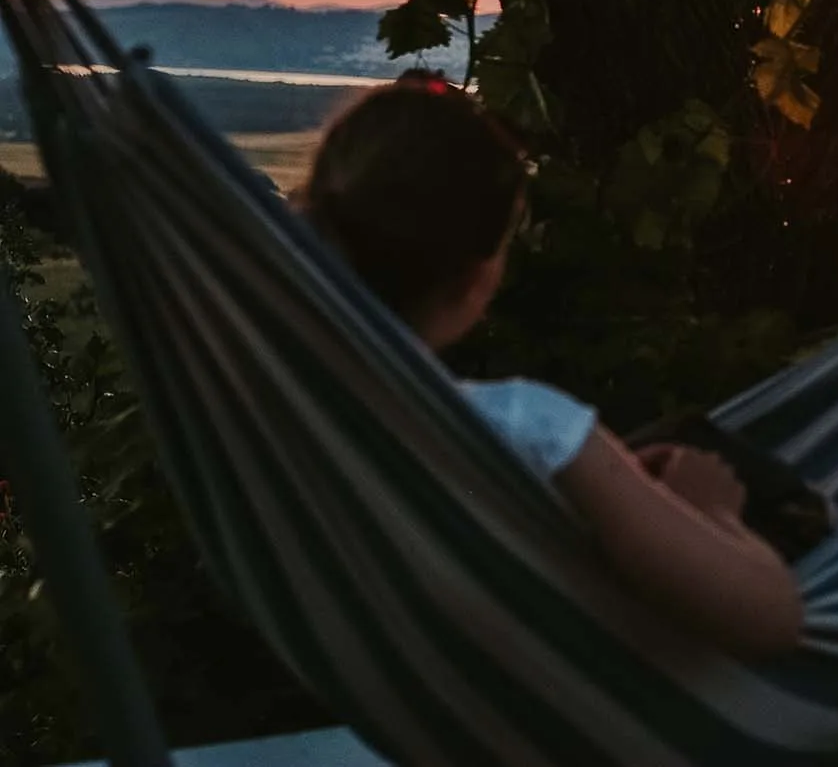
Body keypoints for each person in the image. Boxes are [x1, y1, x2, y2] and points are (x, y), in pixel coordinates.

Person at [296, 71, 804, 660]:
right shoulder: (524, 425)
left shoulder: (286, 398)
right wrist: (712, 510)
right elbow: (773, 618)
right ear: (475, 277)